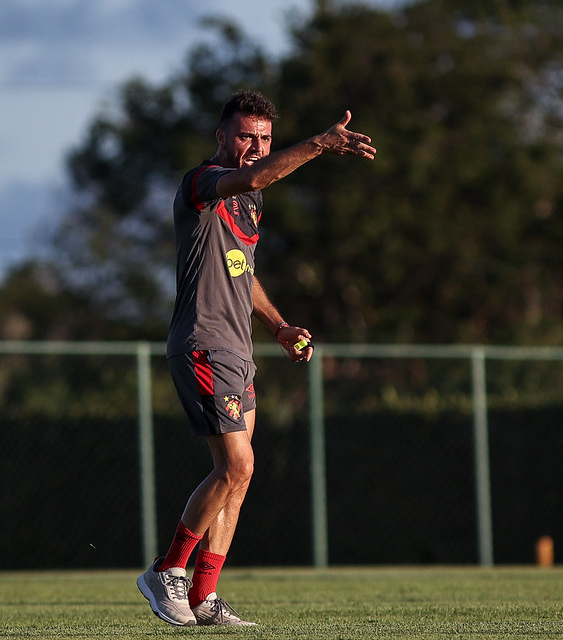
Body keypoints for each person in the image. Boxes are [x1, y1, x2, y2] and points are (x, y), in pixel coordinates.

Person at [137, 90, 376, 626]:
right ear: (221, 137)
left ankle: (203, 596)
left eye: (264, 138)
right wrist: (319, 143)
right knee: (236, 464)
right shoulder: (201, 183)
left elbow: (242, 270)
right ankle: (166, 572)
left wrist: (279, 325)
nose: (255, 146)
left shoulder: (250, 203)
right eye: (246, 135)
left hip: (238, 349)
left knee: (240, 477)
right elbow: (253, 177)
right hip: (201, 343)